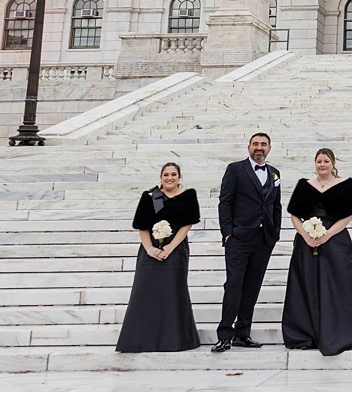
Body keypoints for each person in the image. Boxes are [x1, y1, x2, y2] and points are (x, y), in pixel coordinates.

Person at [282, 148, 352, 355]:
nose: (322, 164)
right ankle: (306, 333)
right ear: (315, 163)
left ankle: (338, 331)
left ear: (333, 163)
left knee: (338, 283)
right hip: (306, 244)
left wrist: (327, 235)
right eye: (319, 161)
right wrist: (306, 235)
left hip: (336, 242)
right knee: (307, 283)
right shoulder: (305, 186)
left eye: (326, 161)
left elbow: (349, 216)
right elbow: (294, 215)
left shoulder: (344, 185)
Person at [115, 162, 201, 352]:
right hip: (150, 249)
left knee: (173, 291)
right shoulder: (149, 197)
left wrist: (170, 247)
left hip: (176, 249)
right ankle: (140, 340)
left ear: (179, 176)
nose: (169, 178)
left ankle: (174, 340)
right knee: (145, 292)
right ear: (160, 177)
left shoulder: (188, 195)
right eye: (166, 175)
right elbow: (142, 226)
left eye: (173, 174)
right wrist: (149, 249)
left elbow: (187, 224)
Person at [213, 132, 282, 352]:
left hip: (263, 239)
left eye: (263, 144)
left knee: (252, 286)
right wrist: (227, 233)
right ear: (248, 147)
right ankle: (225, 334)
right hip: (239, 238)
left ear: (269, 148)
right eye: (255, 144)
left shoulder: (274, 173)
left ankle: (243, 333)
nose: (259, 147)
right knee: (234, 284)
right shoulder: (235, 169)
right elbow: (225, 201)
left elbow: (276, 204)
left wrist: (275, 232)